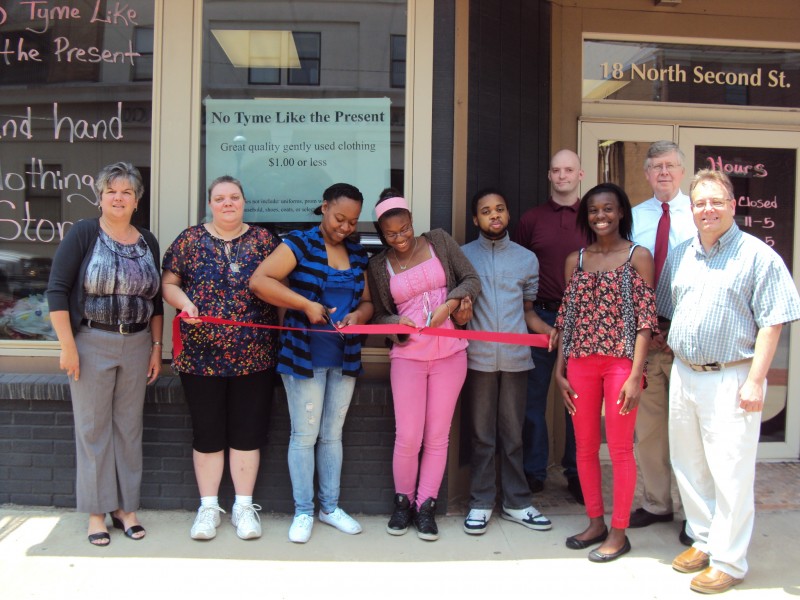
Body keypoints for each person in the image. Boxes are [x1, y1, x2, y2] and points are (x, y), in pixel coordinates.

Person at [659, 169, 800, 594]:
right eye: (699, 203)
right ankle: (703, 541)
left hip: (732, 376)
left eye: (716, 201)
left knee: (731, 473)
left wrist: (756, 382)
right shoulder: (682, 254)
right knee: (690, 465)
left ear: (732, 205)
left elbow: (773, 322)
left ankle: (730, 562)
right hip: (685, 375)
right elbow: (668, 308)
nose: (707, 209)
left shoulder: (758, 256)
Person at [249, 183, 374, 544]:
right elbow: (259, 281)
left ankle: (329, 507)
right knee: (304, 436)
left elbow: (367, 303)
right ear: (323, 208)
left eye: (352, 222)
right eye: (339, 218)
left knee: (332, 436)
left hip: (344, 356)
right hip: (303, 355)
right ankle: (303, 511)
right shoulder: (299, 243)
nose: (345, 228)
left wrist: (360, 317)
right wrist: (304, 305)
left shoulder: (356, 251)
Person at [46, 162, 163, 546]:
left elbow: (157, 301)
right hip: (91, 341)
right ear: (100, 196)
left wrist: (156, 348)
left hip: (138, 343)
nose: (118, 197)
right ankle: (97, 512)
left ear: (136, 199)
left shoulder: (147, 239)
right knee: (93, 430)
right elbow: (57, 291)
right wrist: (68, 347)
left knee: (129, 429)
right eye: (111, 190)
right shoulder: (83, 233)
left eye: (126, 192)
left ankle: (125, 508)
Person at [162, 175, 279, 541]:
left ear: (244, 201)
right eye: (219, 198)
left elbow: (281, 288)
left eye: (234, 197)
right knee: (208, 434)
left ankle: (244, 507)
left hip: (255, 357)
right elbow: (168, 284)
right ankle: (209, 508)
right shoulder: (190, 240)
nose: (227, 203)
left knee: (247, 434)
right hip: (200, 359)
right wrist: (186, 304)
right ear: (209, 204)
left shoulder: (264, 241)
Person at [553, 182, 658, 562]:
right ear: (586, 215)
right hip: (580, 363)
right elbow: (567, 319)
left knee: (618, 449)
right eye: (594, 210)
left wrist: (635, 373)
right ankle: (595, 521)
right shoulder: (575, 260)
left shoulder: (637, 256)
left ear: (622, 213)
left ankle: (618, 531)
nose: (601, 216)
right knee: (583, 448)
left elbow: (645, 321)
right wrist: (560, 369)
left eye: (608, 209)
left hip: (620, 364)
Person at [368, 190, 480, 541]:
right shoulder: (378, 265)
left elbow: (471, 279)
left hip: (450, 352)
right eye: (391, 234)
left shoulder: (440, 242)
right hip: (408, 356)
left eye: (403, 230)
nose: (399, 239)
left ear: (412, 222)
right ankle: (402, 504)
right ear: (382, 234)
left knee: (437, 436)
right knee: (408, 436)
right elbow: (380, 313)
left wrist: (449, 305)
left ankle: (425, 506)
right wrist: (396, 324)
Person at [460, 188, 553, 536]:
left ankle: (517, 502)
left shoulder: (526, 259)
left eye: (499, 209)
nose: (493, 215)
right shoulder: (463, 256)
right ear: (475, 219)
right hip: (478, 359)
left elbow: (528, 312)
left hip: (516, 360)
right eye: (485, 211)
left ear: (508, 215)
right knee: (483, 435)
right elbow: (459, 311)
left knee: (513, 435)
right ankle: (481, 502)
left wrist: (548, 331)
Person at [629, 141, 696, 543]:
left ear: (682, 171)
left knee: (689, 430)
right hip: (645, 339)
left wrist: (676, 330)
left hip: (686, 338)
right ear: (647, 174)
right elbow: (627, 277)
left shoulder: (700, 215)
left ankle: (693, 513)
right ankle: (657, 502)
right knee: (649, 429)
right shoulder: (635, 218)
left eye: (670, 165)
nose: (664, 172)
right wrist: (646, 330)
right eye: (656, 167)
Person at [512, 149, 587, 502]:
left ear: (580, 175)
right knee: (532, 400)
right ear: (549, 175)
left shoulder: (595, 216)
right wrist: (533, 318)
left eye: (568, 170)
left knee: (580, 399)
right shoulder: (531, 219)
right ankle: (535, 471)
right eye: (555, 170)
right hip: (538, 317)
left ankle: (576, 472)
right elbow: (520, 266)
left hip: (585, 319)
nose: (562, 176)